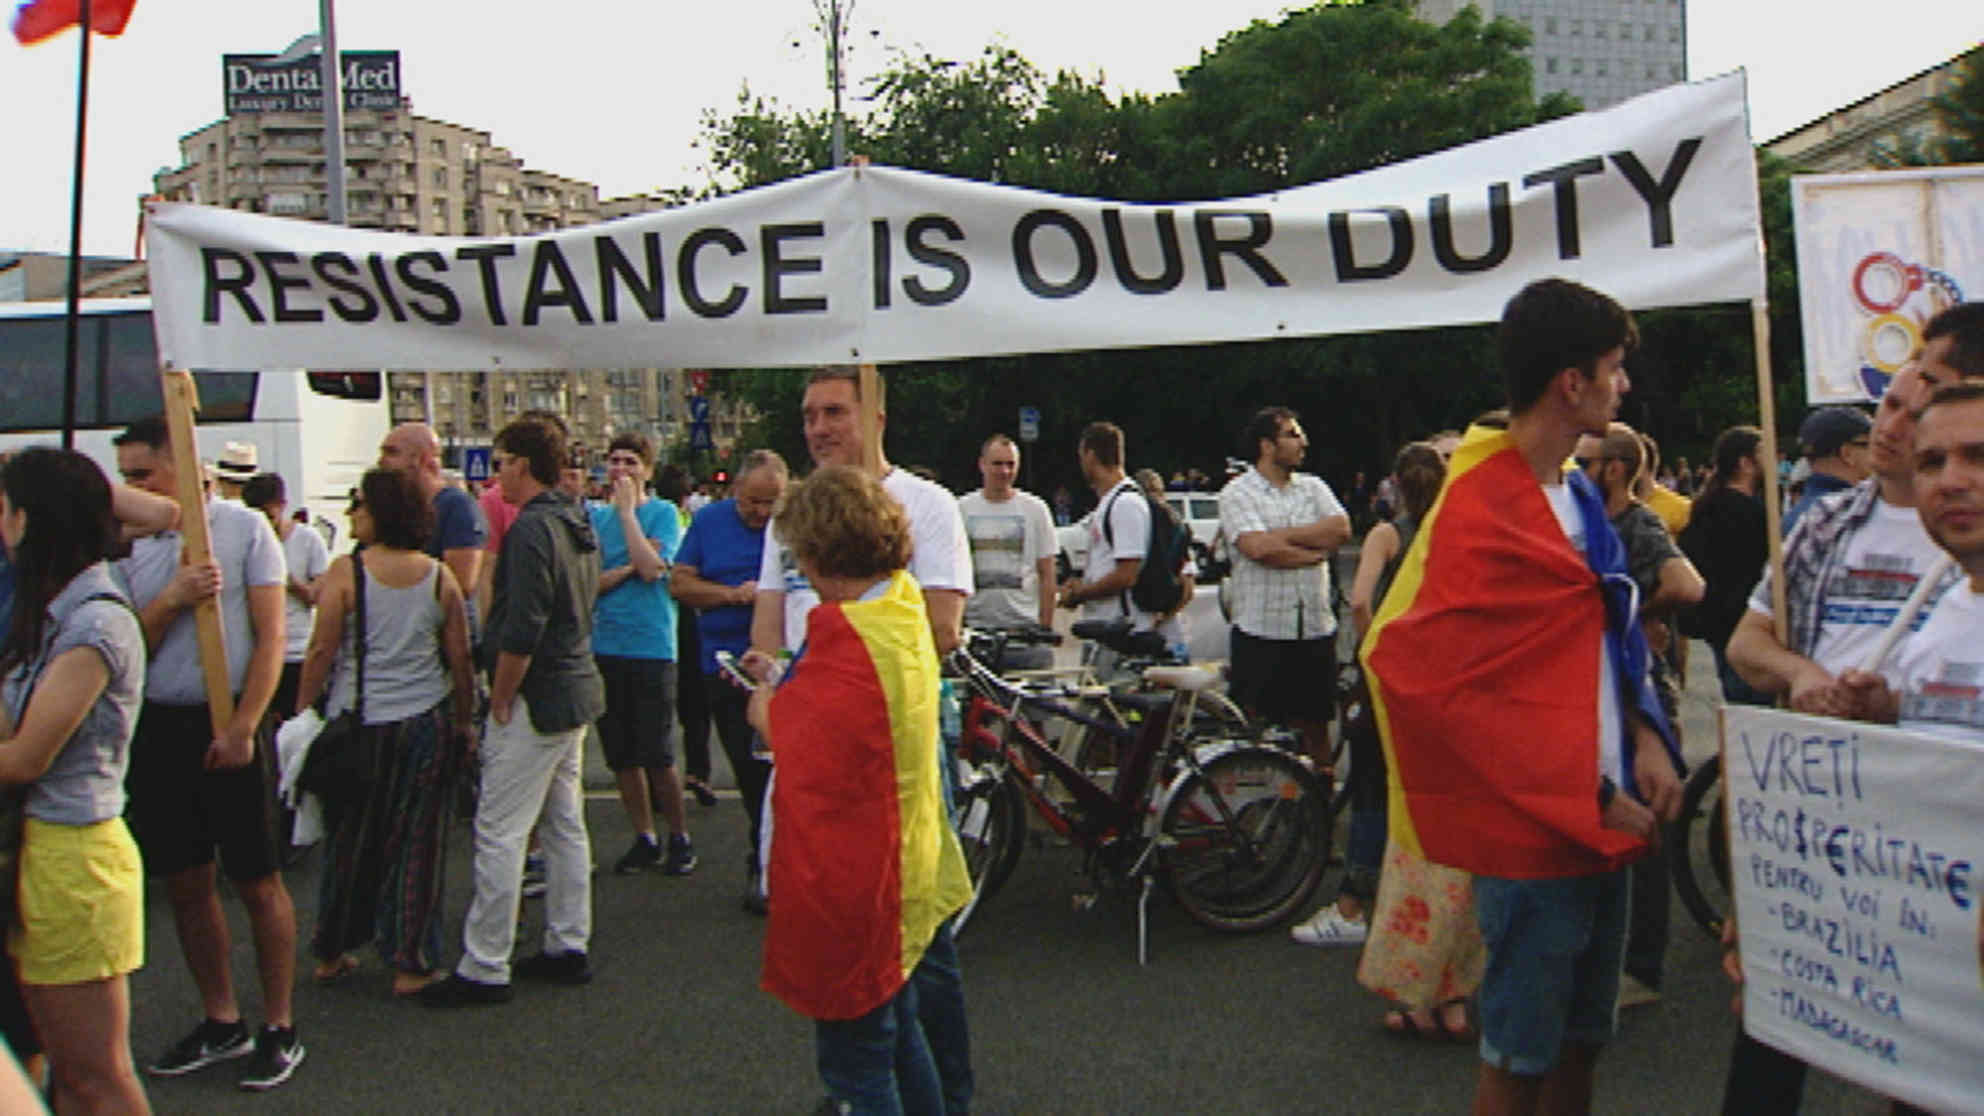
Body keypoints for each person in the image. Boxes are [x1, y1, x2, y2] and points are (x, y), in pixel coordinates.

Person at [1361, 279, 1682, 1116]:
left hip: (1603, 815)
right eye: (1614, 370)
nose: (1626, 386)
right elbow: (1422, 675)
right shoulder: (1477, 504)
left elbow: (1619, 629)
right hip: (1537, 829)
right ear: (1570, 383)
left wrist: (1648, 738)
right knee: (1518, 1052)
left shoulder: (1578, 494)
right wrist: (1587, 793)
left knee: (1582, 1044)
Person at [1718, 303, 1983, 1113]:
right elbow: (1944, 720)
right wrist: (1874, 704)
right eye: (1928, 450)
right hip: (1867, 869)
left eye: (1973, 452)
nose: (1946, 475)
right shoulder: (1928, 580)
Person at [748, 367, 974, 1113]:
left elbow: (791, 733)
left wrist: (766, 703)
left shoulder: (845, 639)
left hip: (858, 875)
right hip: (898, 850)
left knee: (861, 1064)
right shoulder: (897, 603)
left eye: (834, 411)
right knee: (899, 1027)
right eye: (809, 414)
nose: (818, 427)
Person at [112, 415, 305, 1091]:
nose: (132, 488)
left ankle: (278, 1024)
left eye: (143, 474)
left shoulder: (244, 529)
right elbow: (120, 641)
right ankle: (220, 1017)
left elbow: (270, 634)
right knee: (187, 881)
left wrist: (246, 724)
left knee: (256, 879)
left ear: (185, 468)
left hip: (230, 719)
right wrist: (172, 599)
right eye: (127, 475)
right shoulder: (127, 545)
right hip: (162, 726)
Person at [422, 418, 605, 1007]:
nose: (495, 472)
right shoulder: (575, 519)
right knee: (563, 824)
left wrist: (499, 693)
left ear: (523, 464)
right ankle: (567, 941)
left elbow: (523, 623)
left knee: (499, 830)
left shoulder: (530, 529)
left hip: (535, 693)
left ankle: (485, 962)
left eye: (502, 461)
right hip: (574, 687)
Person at [0, 448, 151, 1115]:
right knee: (67, 1072)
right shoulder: (58, 609)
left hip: (76, 858)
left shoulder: (95, 620)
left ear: (31, 519)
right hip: (49, 850)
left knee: (94, 1077)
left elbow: (26, 754)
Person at [291, 468, 475, 999]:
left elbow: (322, 651)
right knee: (418, 845)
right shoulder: (439, 576)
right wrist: (464, 720)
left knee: (348, 839)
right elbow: (458, 656)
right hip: (424, 721)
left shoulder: (345, 573)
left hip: (359, 724)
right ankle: (411, 961)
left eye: (359, 506)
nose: (351, 515)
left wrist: (304, 712)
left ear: (381, 512)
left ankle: (332, 948)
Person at [1341, 441, 1486, 1041]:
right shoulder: (1460, 532)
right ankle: (1455, 997)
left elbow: (1358, 599)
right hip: (1456, 695)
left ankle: (1411, 991)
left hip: (1400, 694)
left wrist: (1379, 654)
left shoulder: (1389, 535)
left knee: (1401, 829)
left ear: (1397, 484)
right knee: (1459, 849)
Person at [1574, 422, 1705, 1009]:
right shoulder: (1591, 519)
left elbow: (1688, 584)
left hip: (1646, 691)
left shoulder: (1638, 521)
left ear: (1617, 468)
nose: (1576, 473)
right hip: (1607, 688)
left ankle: (1643, 967)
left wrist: (1627, 612)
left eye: (1587, 462)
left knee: (1650, 818)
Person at [672, 450, 787, 914]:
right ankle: (761, 859)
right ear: (735, 491)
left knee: (785, 772)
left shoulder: (796, 524)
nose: (760, 514)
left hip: (783, 667)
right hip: (724, 666)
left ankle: (775, 863)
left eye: (770, 503)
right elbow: (679, 585)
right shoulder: (710, 523)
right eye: (752, 503)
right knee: (749, 771)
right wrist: (731, 595)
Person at [1218, 405, 1349, 789]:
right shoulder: (1237, 493)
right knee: (1256, 729)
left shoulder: (1313, 487)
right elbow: (1258, 549)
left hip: (1313, 628)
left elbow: (1340, 528)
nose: (1302, 441)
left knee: (1316, 726)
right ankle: (1258, 812)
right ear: (1266, 445)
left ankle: (1319, 809)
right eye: (1292, 434)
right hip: (1262, 629)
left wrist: (1282, 535)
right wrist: (1310, 550)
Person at [587, 434, 695, 876]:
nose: (620, 470)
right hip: (606, 644)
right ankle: (644, 835)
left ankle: (679, 834)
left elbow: (655, 570)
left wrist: (630, 517)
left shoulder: (663, 514)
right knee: (621, 753)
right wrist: (634, 563)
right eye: (613, 461)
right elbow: (591, 583)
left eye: (630, 462)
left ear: (646, 470)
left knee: (657, 750)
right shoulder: (594, 520)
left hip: (651, 645)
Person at [1678, 425, 1771, 705]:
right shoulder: (1750, 512)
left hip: (1717, 623)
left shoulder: (1705, 507)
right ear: (1745, 463)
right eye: (1764, 454)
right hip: (1745, 624)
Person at [1058, 422, 1151, 677]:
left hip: (1120, 632)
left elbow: (1127, 574)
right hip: (1103, 630)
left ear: (1089, 454)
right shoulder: (1109, 503)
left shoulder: (1126, 504)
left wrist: (1081, 594)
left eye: (1081, 456)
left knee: (1107, 709)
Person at [958, 435, 1059, 670]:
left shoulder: (1035, 509)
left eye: (1010, 464)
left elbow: (1047, 572)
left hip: (1024, 631)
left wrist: (1045, 626)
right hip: (977, 631)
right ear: (982, 464)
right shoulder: (962, 509)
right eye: (997, 464)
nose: (1004, 471)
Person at [378, 424, 487, 635]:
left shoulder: (456, 506)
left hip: (445, 641)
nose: (381, 461)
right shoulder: (396, 508)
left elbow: (462, 584)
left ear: (423, 459)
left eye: (392, 452)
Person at [242, 473, 329, 722]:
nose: (265, 527)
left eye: (269, 517)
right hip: (258, 653)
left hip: (296, 653)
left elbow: (318, 596)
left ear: (282, 506)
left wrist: (286, 581)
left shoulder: (308, 539)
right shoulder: (251, 538)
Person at [655, 463, 718, 808]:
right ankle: (699, 770)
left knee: (668, 701)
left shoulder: (655, 517)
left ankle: (661, 777)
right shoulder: (688, 522)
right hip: (689, 616)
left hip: (660, 618)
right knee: (696, 703)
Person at [1783, 405, 1873, 534]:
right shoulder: (1854, 517)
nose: (1876, 453)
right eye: (1869, 444)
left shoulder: (1793, 517)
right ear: (1847, 454)